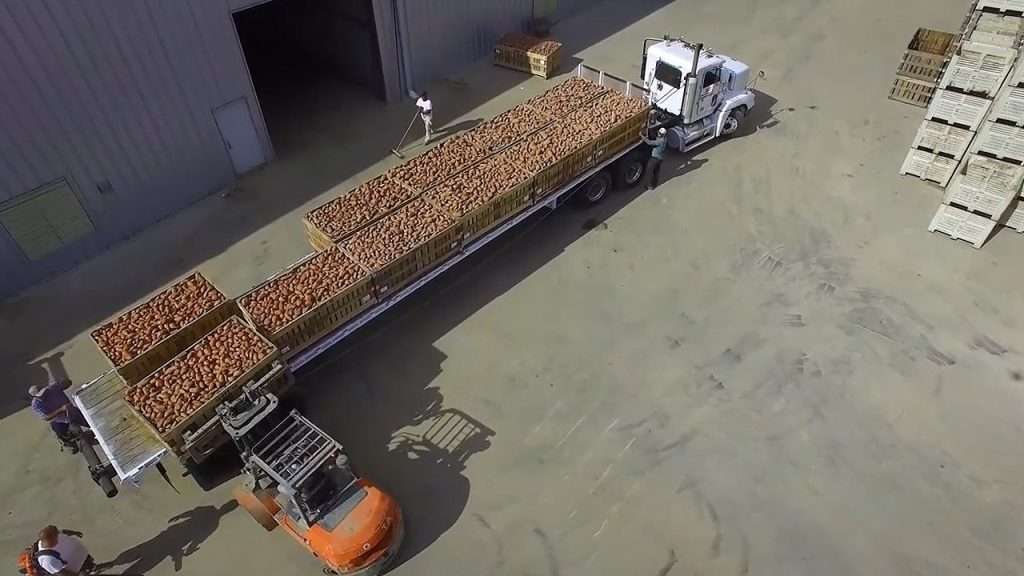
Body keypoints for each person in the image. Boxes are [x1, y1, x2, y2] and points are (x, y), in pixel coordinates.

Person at [29, 379, 87, 446]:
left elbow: (69, 382)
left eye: (43, 392)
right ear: (35, 397)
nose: (43, 395)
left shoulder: (53, 388)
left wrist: (63, 383)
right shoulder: (36, 405)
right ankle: (69, 443)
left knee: (90, 422)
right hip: (59, 420)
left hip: (72, 412)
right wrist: (61, 409)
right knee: (62, 432)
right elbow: (46, 417)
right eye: (40, 395)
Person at [640, 126, 668, 191]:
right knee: (656, 171)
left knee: (649, 171)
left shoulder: (660, 141)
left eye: (659, 134)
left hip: (655, 158)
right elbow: (656, 137)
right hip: (660, 158)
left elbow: (649, 142)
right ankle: (655, 183)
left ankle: (650, 186)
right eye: (659, 133)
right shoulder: (665, 139)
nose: (658, 134)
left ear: (662, 135)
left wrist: (642, 136)